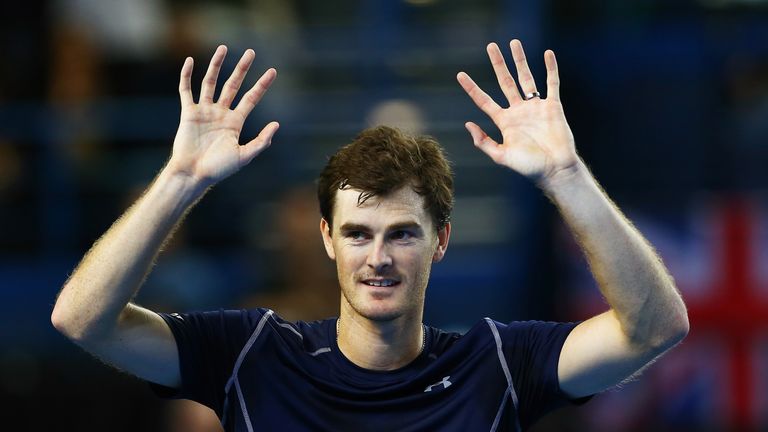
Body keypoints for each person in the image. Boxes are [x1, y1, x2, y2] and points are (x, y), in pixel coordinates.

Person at [51, 40, 689, 431]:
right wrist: (181, 180)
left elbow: (655, 328)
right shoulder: (251, 355)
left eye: (402, 235)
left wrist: (567, 177)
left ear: (441, 240)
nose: (378, 258)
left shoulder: (497, 364)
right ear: (327, 239)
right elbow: (83, 320)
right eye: (358, 234)